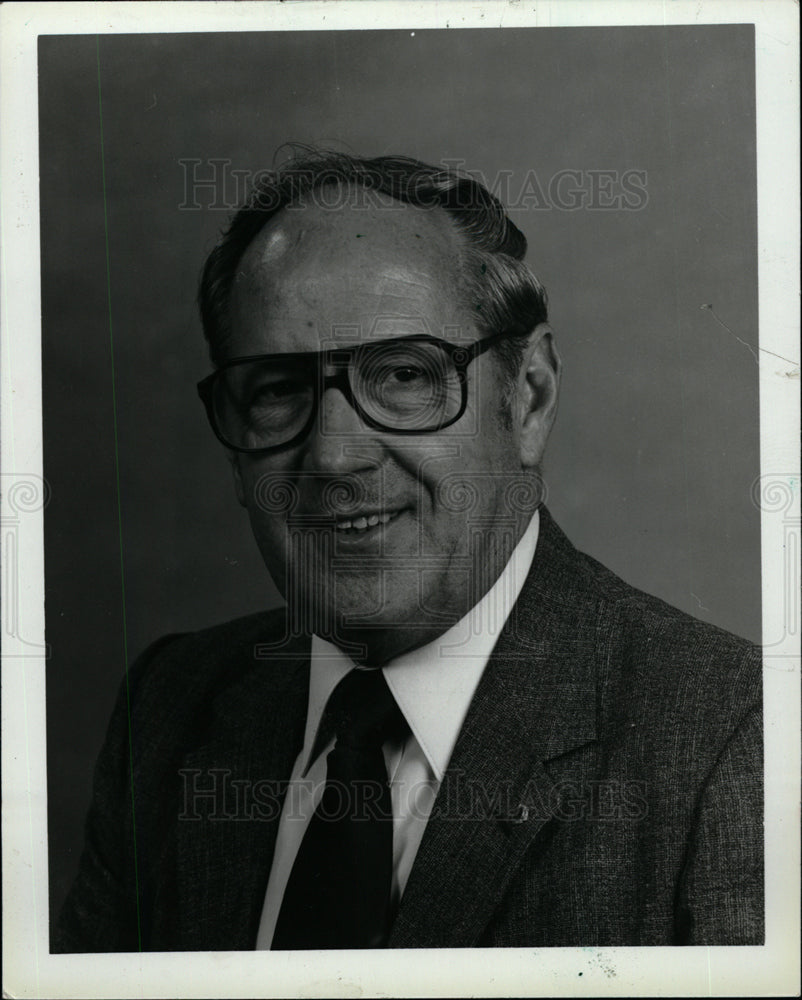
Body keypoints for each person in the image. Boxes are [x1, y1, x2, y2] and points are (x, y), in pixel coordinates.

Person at [54, 151, 763, 952]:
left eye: (402, 374)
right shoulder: (168, 709)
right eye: (279, 388)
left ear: (528, 398)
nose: (333, 457)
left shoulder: (734, 743)